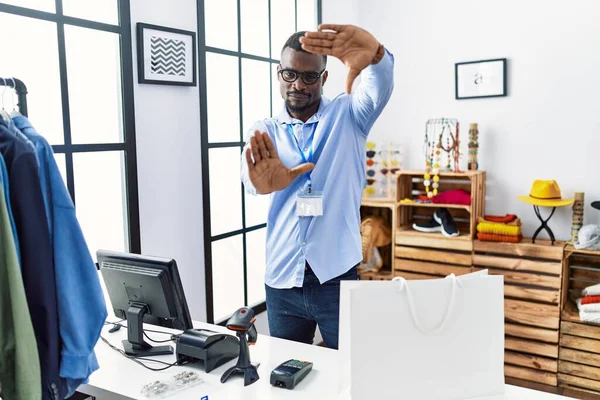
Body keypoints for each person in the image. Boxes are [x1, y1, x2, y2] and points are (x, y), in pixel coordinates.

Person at [240, 24, 394, 349]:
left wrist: (377, 58)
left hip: (336, 275)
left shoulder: (349, 115)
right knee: (287, 376)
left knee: (350, 371)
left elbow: (378, 90)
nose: (298, 84)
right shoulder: (265, 130)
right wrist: (256, 181)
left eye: (309, 77)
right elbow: (250, 175)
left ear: (324, 78)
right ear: (279, 73)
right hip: (282, 278)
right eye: (290, 74)